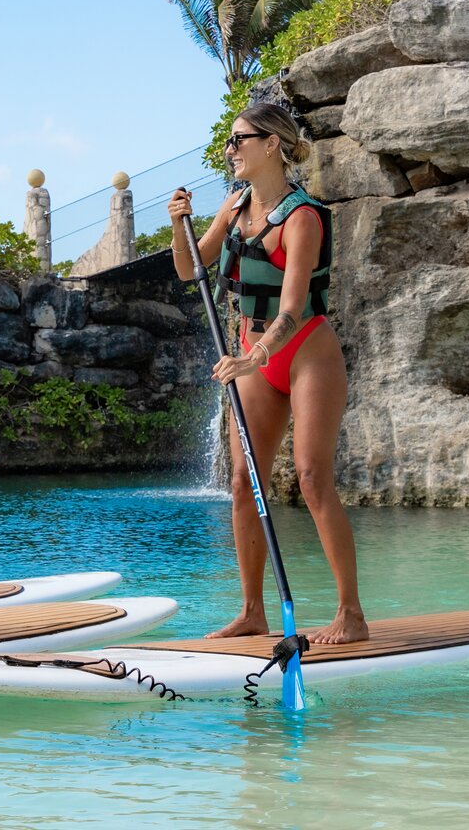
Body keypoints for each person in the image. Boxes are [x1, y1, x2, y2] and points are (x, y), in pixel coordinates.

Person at [168, 102, 368, 644]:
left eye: (239, 140)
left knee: (310, 477)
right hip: (251, 356)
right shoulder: (233, 209)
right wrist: (176, 225)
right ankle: (252, 611)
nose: (229, 150)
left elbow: (293, 308)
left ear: (272, 144)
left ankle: (350, 613)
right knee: (240, 482)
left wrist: (253, 358)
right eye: (229, 142)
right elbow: (190, 268)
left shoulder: (302, 218)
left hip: (305, 353)